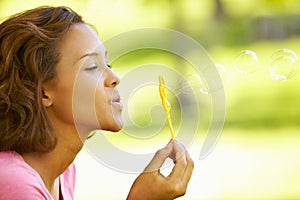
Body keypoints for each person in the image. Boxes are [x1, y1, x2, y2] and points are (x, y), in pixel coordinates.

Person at [0, 6, 194, 200]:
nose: (114, 78)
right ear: (43, 92)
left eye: (107, 65)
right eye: (92, 66)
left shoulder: (63, 176)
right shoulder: (14, 183)